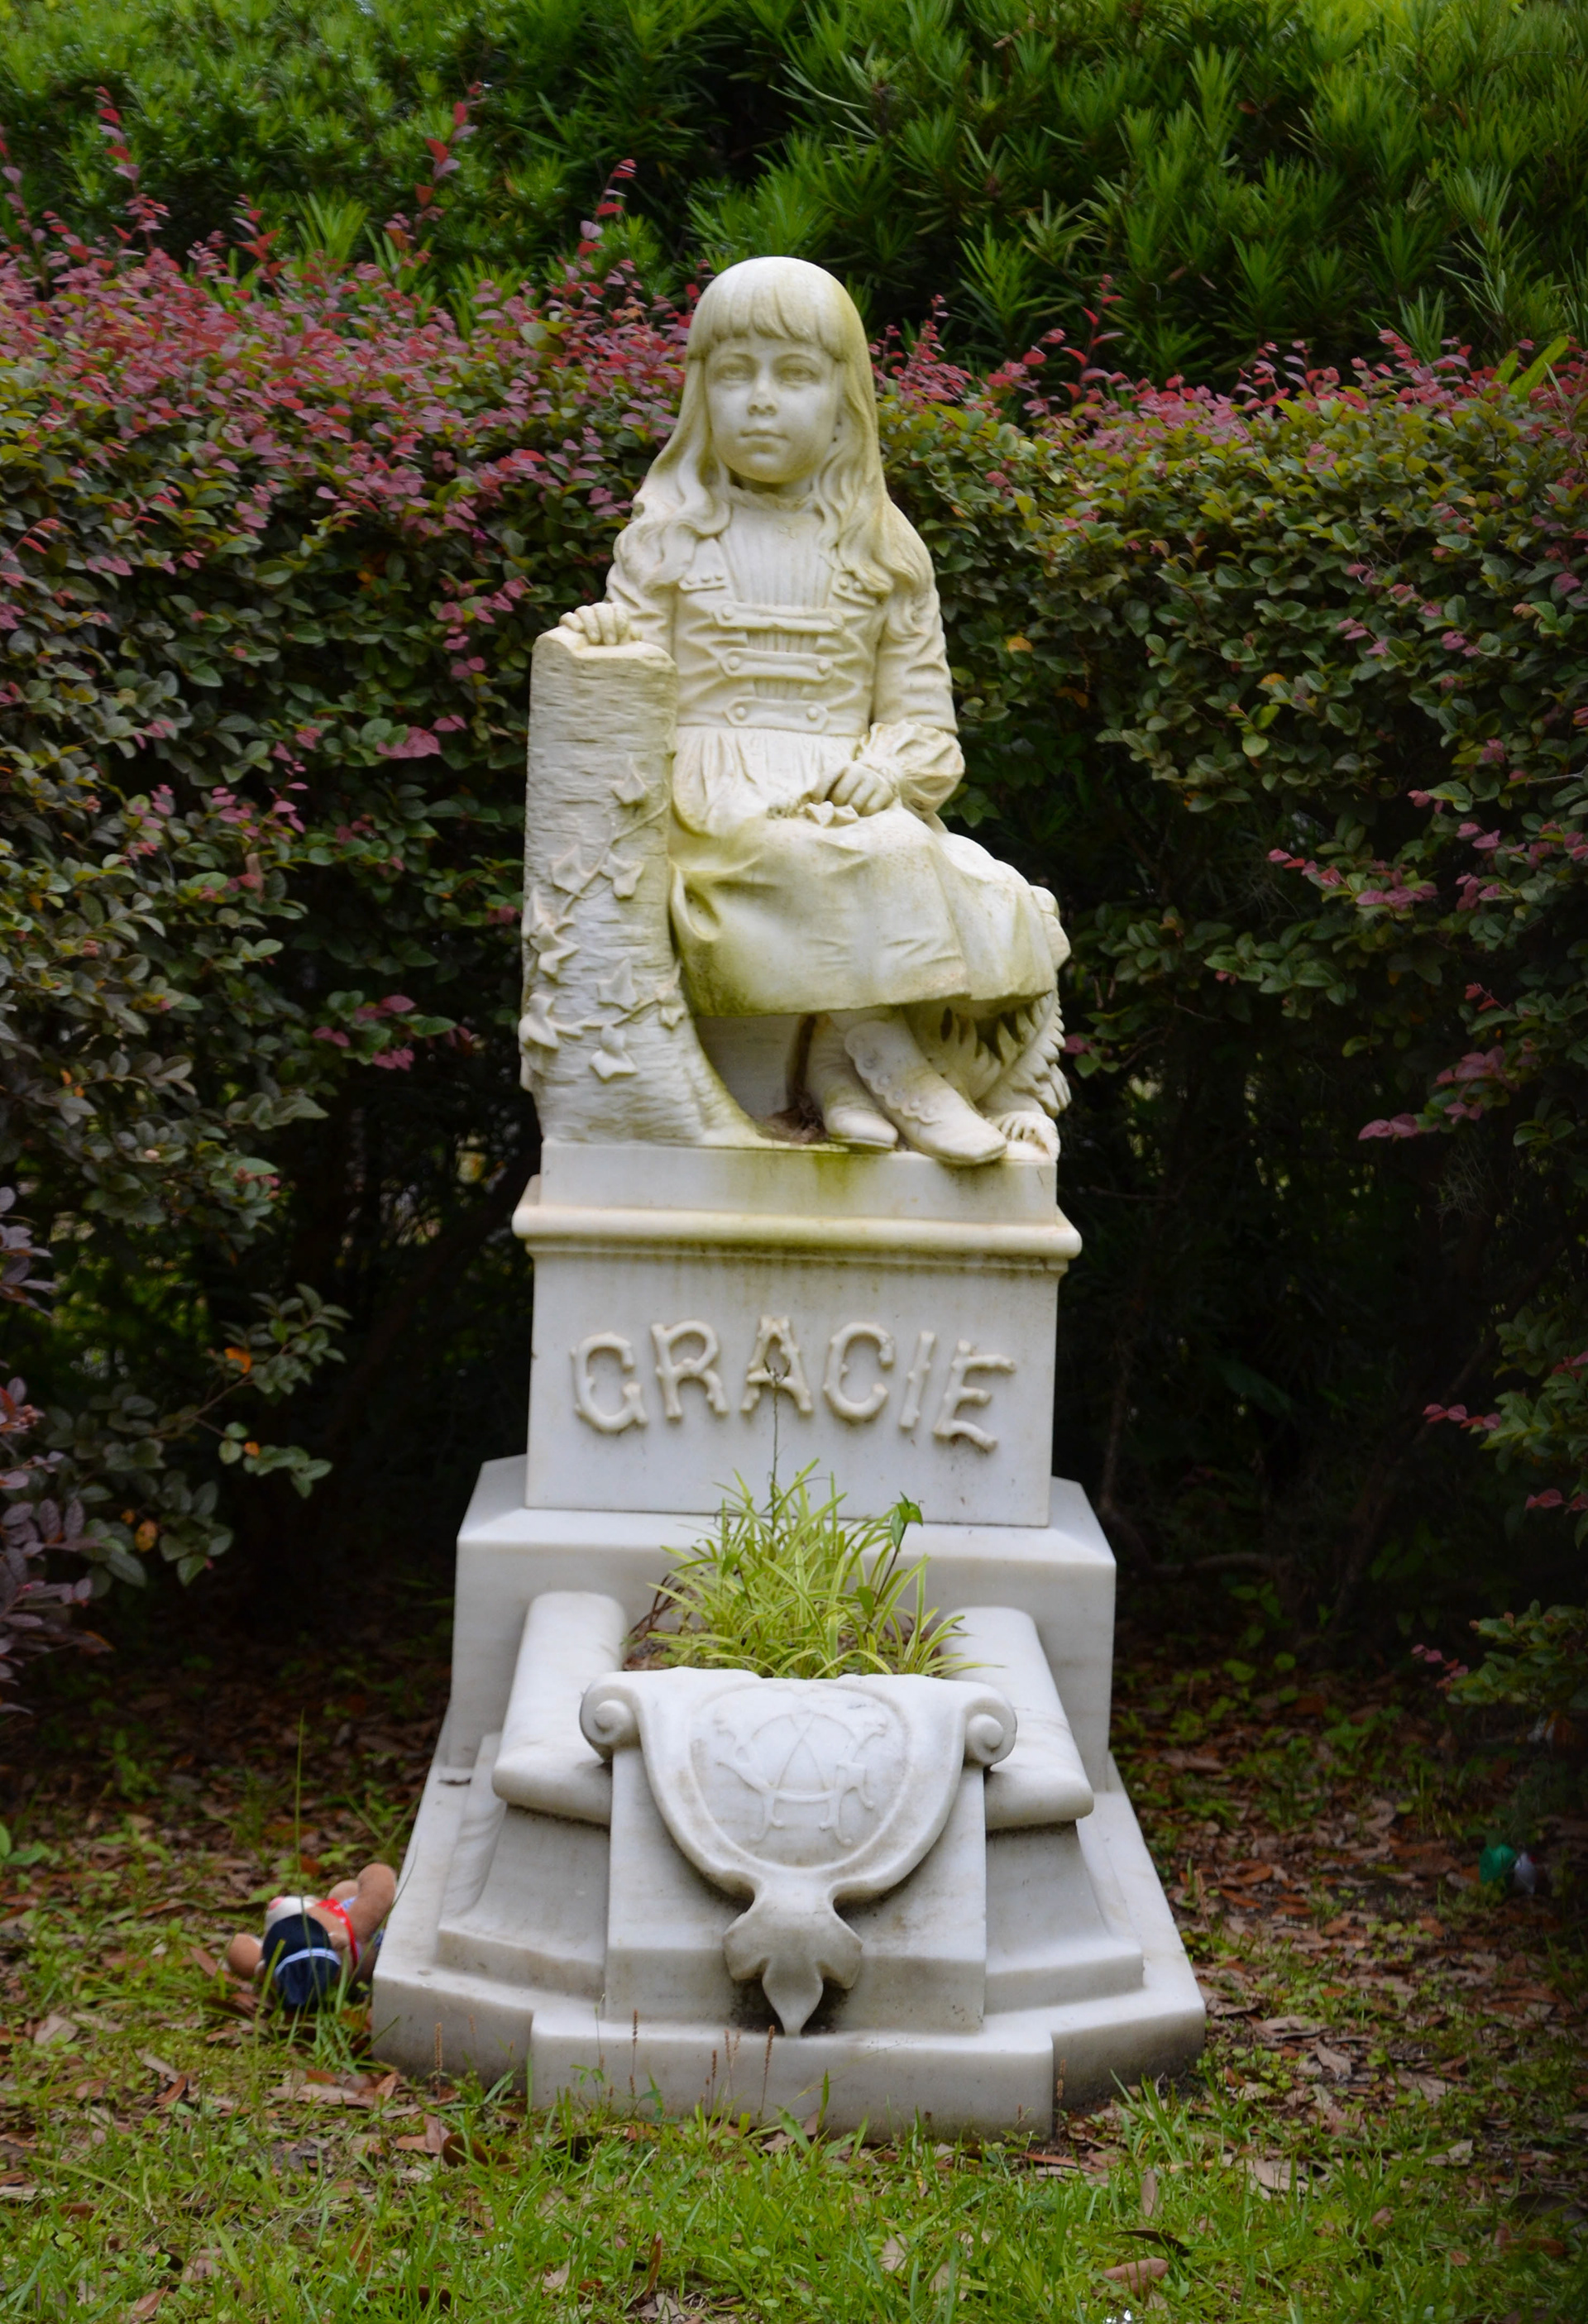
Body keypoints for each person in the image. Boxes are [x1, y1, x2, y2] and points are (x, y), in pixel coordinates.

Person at [558, 256, 1066, 1166]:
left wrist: (885, 769)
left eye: (793, 375)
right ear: (700, 392)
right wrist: (607, 635)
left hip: (846, 791)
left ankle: (849, 1065)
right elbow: (633, 666)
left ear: (845, 399)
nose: (760, 400)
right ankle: (882, 1060)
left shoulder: (884, 548)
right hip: (713, 805)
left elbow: (926, 725)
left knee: (989, 890)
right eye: (733, 373)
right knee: (821, 855)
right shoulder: (667, 533)